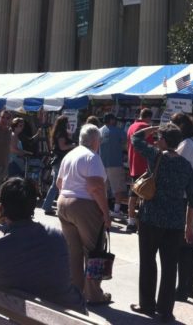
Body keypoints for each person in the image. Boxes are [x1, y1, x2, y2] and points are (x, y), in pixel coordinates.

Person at [0, 177, 86, 313]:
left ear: (1, 209)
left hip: (23, 318)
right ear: (33, 206)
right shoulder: (57, 237)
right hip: (71, 317)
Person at [130, 122, 193, 323]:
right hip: (175, 223)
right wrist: (189, 226)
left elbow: (135, 139)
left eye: (159, 137)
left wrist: (151, 128)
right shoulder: (186, 166)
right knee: (169, 267)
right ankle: (165, 310)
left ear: (166, 141)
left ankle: (147, 304)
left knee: (148, 262)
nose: (156, 140)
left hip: (151, 218)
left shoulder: (156, 157)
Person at [57, 124, 111, 305]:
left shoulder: (70, 155)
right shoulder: (92, 157)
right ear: (95, 140)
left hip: (64, 202)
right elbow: (95, 187)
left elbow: (59, 182)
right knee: (93, 251)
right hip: (83, 205)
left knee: (73, 251)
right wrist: (106, 213)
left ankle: (76, 291)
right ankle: (94, 295)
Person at [172, 112, 193, 301]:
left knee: (183, 246)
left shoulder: (184, 145)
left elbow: (177, 171)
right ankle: (190, 286)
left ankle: (182, 288)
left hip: (186, 199)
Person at [126, 107, 154, 233]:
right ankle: (142, 223)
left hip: (133, 164)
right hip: (144, 166)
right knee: (144, 195)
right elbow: (151, 147)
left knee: (133, 195)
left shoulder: (131, 126)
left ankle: (131, 221)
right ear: (149, 117)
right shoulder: (146, 127)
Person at [42, 115, 74, 216]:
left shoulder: (59, 132)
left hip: (59, 160)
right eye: (67, 122)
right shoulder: (61, 134)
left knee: (57, 184)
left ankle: (49, 205)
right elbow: (62, 147)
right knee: (57, 184)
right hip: (60, 161)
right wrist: (73, 145)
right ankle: (48, 206)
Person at [99, 112, 128, 217]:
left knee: (104, 189)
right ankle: (116, 211)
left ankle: (104, 210)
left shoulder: (99, 131)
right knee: (118, 189)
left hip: (102, 164)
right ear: (111, 120)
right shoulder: (118, 131)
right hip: (115, 163)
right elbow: (126, 144)